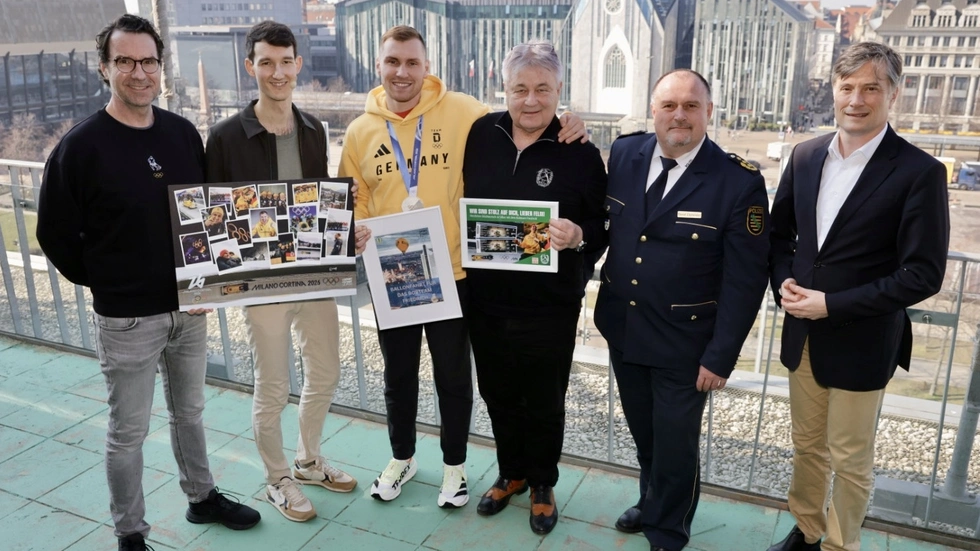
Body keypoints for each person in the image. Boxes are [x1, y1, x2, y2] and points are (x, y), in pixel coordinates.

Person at [35, 14, 260, 551]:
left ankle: (201, 496)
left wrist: (206, 282)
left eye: (149, 61)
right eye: (126, 62)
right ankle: (130, 533)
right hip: (127, 317)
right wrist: (108, 283)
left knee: (191, 413)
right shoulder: (81, 147)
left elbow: (207, 218)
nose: (139, 72)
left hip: (189, 309)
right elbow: (54, 233)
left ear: (162, 67)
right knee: (128, 433)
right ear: (105, 68)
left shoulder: (182, 134)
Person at [339, 25, 586, 508]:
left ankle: (455, 467)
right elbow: (357, 197)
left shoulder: (464, 111)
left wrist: (569, 122)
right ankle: (402, 457)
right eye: (393, 62)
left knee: (454, 378)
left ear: (426, 66)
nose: (402, 72)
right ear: (380, 67)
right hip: (395, 274)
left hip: (454, 275)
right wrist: (360, 227)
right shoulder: (359, 130)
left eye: (412, 62)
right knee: (398, 377)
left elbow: (526, 112)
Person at [766, 42, 949, 551]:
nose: (857, 99)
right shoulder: (804, 156)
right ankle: (807, 530)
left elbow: (924, 274)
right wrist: (783, 281)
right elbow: (780, 237)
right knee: (806, 446)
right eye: (847, 87)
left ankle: (839, 545)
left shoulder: (919, 172)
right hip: (802, 332)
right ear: (833, 89)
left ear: (894, 92)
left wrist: (833, 304)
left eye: (872, 88)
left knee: (849, 459)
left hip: (863, 341)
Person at [594, 69, 770, 551]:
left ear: (709, 113)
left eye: (691, 106)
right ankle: (651, 501)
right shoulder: (625, 154)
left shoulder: (737, 182)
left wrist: (721, 355)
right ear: (653, 110)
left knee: (675, 445)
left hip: (686, 342)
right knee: (645, 433)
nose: (679, 115)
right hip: (624, 327)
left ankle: (669, 531)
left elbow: (745, 279)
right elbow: (611, 227)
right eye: (668, 105)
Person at [205, 21, 356, 524]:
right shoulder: (225, 136)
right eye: (265, 62)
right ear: (251, 66)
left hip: (313, 275)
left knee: (326, 371)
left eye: (285, 61)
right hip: (260, 282)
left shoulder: (314, 129)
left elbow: (318, 204)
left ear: (298, 64)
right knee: (271, 386)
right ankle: (277, 479)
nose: (277, 71)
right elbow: (211, 217)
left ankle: (309, 459)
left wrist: (343, 231)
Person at [461, 40, 607, 535]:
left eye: (542, 89)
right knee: (498, 394)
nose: (530, 100)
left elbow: (601, 224)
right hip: (485, 302)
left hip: (550, 307)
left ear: (559, 91)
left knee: (545, 399)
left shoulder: (580, 152)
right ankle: (512, 473)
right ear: (504, 89)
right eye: (519, 88)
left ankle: (543, 482)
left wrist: (579, 235)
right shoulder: (479, 133)